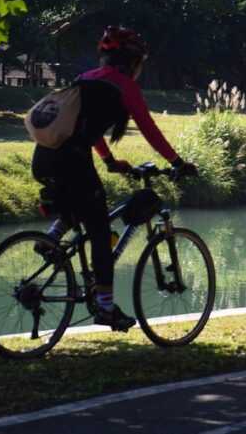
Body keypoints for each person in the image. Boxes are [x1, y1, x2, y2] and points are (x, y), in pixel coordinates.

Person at [32, 26, 197, 331]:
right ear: (132, 61)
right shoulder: (123, 87)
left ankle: (51, 239)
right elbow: (149, 129)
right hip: (73, 161)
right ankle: (106, 308)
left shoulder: (86, 79)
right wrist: (177, 162)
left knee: (81, 205)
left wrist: (109, 161)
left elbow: (83, 128)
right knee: (99, 234)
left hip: (43, 157)